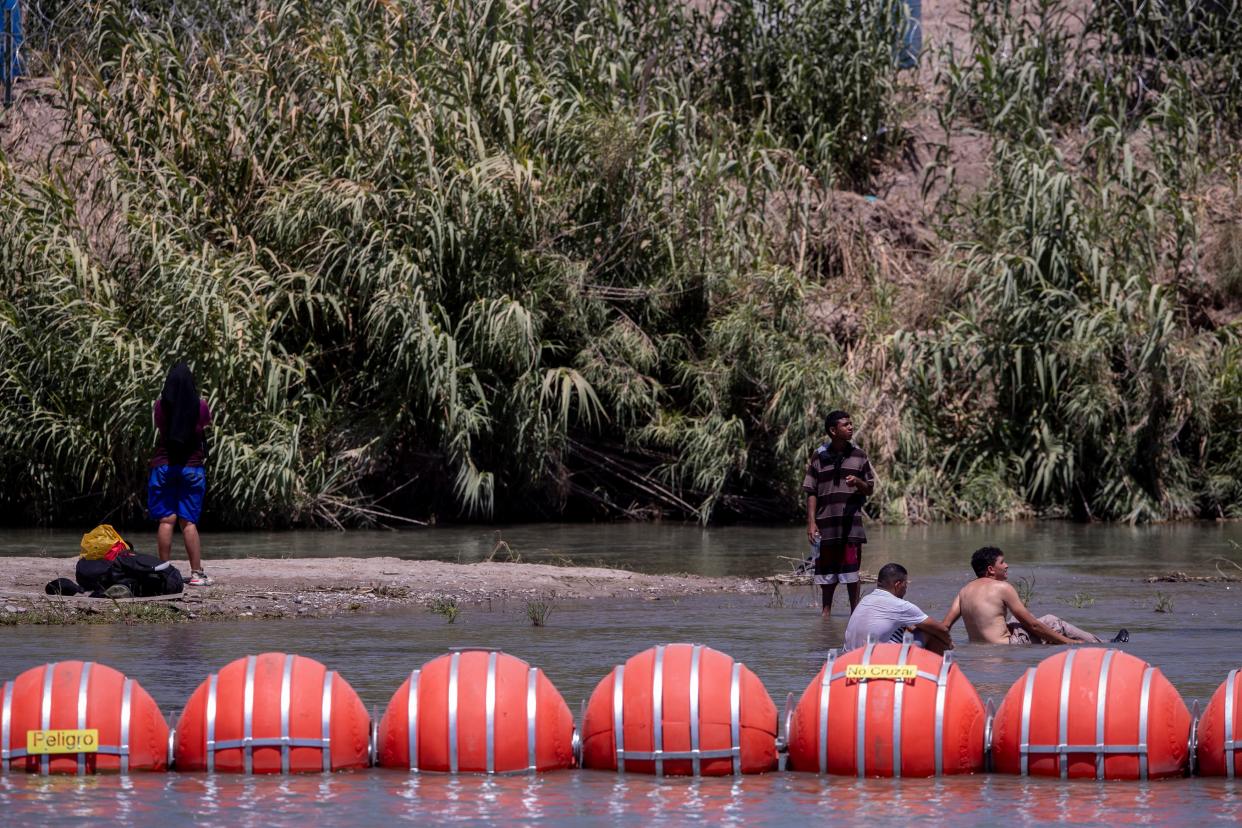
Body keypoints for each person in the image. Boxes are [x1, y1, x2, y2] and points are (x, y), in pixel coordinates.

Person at [942, 546, 1127, 645]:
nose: (1006, 566)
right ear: (991, 569)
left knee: (1015, 620)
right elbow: (1032, 624)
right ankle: (1103, 644)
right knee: (1053, 621)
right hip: (1006, 647)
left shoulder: (964, 591)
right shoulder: (1002, 587)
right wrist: (1068, 642)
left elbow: (945, 626)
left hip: (981, 650)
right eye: (1002, 562)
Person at [803, 410, 877, 616]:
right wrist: (811, 523)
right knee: (826, 574)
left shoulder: (859, 455)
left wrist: (858, 482)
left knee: (852, 575)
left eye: (851, 424)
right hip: (825, 524)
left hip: (851, 525)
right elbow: (811, 491)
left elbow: (870, 488)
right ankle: (826, 615)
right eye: (846, 425)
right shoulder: (819, 455)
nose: (851, 427)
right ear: (833, 430)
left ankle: (855, 614)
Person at [148, 362, 213, 586]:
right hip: (192, 467)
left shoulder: (160, 406)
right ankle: (196, 574)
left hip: (164, 466)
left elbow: (161, 428)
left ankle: (163, 573)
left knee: (166, 520)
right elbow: (204, 425)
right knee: (189, 522)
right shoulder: (201, 406)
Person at [843, 563, 953, 654]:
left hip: (850, 660)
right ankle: (934, 673)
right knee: (931, 632)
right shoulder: (900, 606)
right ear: (898, 584)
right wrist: (949, 644)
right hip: (877, 664)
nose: (906, 588)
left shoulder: (866, 599)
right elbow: (942, 629)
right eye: (905, 584)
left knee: (916, 627)